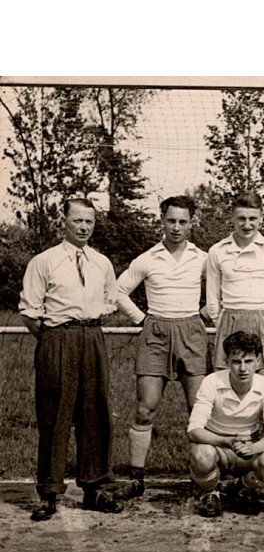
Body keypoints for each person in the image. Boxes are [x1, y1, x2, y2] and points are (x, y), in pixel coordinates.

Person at [19, 198, 122, 520]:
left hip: (91, 337)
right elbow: (30, 313)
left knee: (95, 413)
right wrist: (55, 339)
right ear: (63, 221)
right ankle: (49, 493)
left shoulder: (101, 262)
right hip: (57, 338)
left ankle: (94, 489)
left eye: (89, 222)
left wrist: (83, 331)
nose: (83, 227)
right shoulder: (44, 261)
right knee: (54, 415)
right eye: (77, 221)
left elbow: (110, 300)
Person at [114, 195, 209, 501]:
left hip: (191, 331)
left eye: (183, 221)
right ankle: (137, 478)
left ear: (191, 223)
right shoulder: (148, 258)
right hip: (155, 332)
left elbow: (224, 285)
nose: (177, 227)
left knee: (198, 410)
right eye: (171, 220)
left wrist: (206, 313)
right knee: (145, 408)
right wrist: (141, 319)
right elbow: (117, 290)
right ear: (162, 221)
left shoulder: (203, 258)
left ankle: (202, 478)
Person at [186, 330, 264, 518]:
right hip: (219, 448)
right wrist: (227, 441)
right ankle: (209, 492)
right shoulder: (211, 381)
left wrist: (254, 447)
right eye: (236, 362)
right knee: (201, 454)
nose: (242, 369)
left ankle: (243, 487)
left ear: (258, 361)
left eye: (248, 361)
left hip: (248, 450)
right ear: (226, 361)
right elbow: (194, 430)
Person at [206, 193, 264, 387]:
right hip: (230, 320)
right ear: (232, 218)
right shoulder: (217, 251)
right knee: (227, 388)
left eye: (252, 218)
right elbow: (213, 297)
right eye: (241, 218)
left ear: (261, 218)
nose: (247, 224)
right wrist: (222, 323)